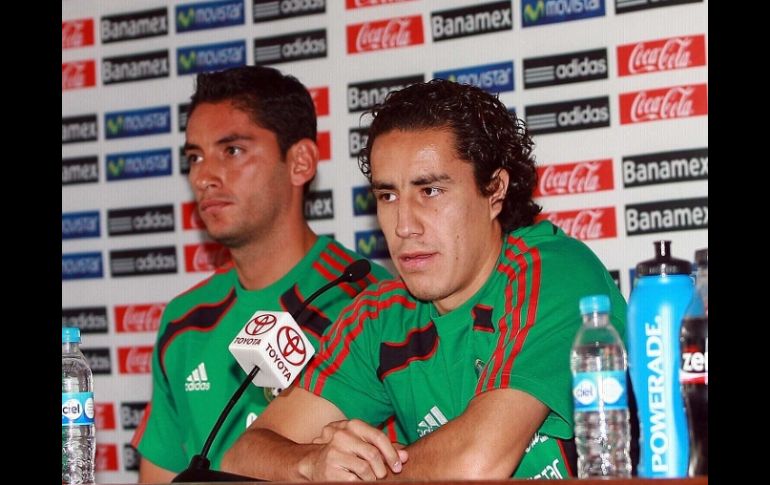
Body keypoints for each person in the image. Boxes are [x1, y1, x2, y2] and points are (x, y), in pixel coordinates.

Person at [221, 79, 627, 481]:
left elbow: (476, 463)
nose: (403, 226)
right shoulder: (381, 314)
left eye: (430, 191)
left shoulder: (553, 271)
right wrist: (311, 465)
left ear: (495, 191)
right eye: (388, 196)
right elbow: (243, 456)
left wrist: (361, 475)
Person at [130, 66, 392, 483]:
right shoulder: (183, 319)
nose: (203, 177)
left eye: (231, 150)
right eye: (194, 157)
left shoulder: (373, 304)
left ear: (300, 162)